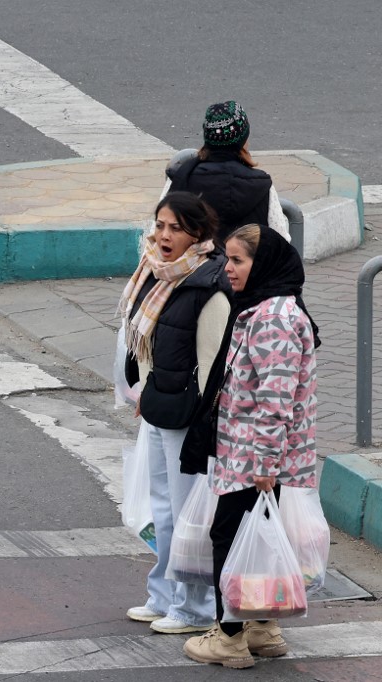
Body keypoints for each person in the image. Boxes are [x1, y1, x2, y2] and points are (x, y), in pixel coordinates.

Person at [182, 224, 319, 669]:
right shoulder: (265, 308)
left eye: (238, 260)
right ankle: (262, 627)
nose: (228, 268)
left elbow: (275, 400)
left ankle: (229, 637)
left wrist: (264, 464)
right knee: (255, 539)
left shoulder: (274, 319)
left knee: (230, 538)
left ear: (263, 265)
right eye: (227, 258)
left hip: (253, 458)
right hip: (254, 455)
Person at [120, 192, 230, 634]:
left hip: (188, 416)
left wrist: (203, 424)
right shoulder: (157, 273)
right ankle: (164, 595)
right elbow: (149, 345)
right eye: (160, 225)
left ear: (197, 234)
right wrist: (146, 393)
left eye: (175, 228)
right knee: (163, 509)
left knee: (188, 515)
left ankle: (193, 607)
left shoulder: (208, 286)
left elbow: (212, 365)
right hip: (159, 407)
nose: (163, 236)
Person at [164, 101, 289, 241]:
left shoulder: (181, 177)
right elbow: (281, 241)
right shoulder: (262, 185)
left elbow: (157, 236)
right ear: (243, 139)